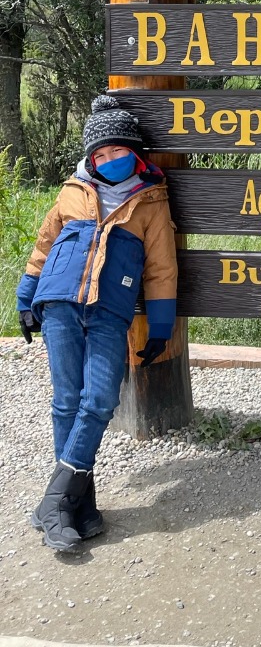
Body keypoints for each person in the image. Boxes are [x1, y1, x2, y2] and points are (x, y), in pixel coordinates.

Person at [15, 94, 178, 552]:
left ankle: (53, 500)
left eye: (117, 151)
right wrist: (26, 298)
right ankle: (76, 505)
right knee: (67, 398)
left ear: (135, 152)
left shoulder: (151, 201)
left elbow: (161, 269)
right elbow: (45, 245)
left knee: (101, 396)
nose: (108, 160)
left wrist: (161, 327)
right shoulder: (72, 191)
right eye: (99, 155)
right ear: (90, 159)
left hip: (110, 311)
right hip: (60, 304)